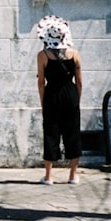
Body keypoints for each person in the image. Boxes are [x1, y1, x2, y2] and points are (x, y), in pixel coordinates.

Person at [36, 15, 83, 185]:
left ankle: (49, 176)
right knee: (73, 132)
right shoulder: (74, 54)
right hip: (70, 93)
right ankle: (73, 175)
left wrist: (43, 102)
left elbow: (41, 82)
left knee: (50, 132)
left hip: (52, 94)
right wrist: (76, 99)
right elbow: (79, 81)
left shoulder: (43, 55)